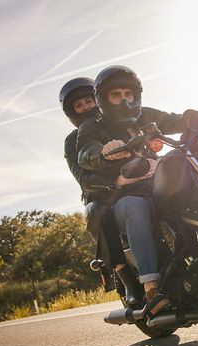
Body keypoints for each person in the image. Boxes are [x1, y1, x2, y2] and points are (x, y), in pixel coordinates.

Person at [76, 65, 198, 319]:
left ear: (136, 94)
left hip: (156, 184)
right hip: (122, 197)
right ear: (104, 99)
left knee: (192, 184)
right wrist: (103, 152)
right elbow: (85, 154)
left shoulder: (146, 115)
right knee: (135, 206)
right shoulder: (92, 126)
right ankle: (152, 290)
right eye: (116, 95)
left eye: (128, 94)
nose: (124, 100)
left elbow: (174, 119)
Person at [59, 77, 142, 305]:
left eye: (88, 101)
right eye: (79, 105)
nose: (86, 107)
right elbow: (83, 178)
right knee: (98, 211)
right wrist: (116, 180)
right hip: (103, 193)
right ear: (72, 112)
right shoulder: (72, 140)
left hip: (138, 182)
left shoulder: (122, 123)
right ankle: (127, 279)